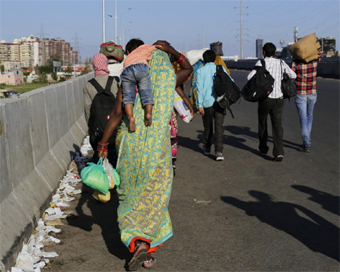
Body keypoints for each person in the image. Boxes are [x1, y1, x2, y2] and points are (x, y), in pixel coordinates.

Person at [97, 40, 192, 270]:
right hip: (158, 153)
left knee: (131, 198)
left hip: (130, 150)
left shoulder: (129, 81)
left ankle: (137, 242)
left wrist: (102, 145)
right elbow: (187, 69)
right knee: (154, 201)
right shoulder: (166, 79)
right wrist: (171, 51)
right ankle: (146, 250)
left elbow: (117, 114)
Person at [247, 42, 296, 161]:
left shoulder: (261, 63)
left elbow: (249, 77)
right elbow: (293, 75)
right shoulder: (281, 62)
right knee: (277, 125)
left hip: (265, 99)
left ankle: (263, 149)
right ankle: (279, 152)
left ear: (263, 52)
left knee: (263, 124)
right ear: (274, 52)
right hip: (278, 99)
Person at [83, 53, 119, 164]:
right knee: (113, 155)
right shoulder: (115, 82)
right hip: (114, 127)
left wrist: (91, 127)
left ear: (94, 65)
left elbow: (87, 110)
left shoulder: (88, 85)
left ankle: (99, 176)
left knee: (98, 154)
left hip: (97, 130)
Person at [196, 50, 232, 161]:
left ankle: (207, 146)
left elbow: (199, 90)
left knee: (208, 126)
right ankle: (219, 152)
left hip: (207, 103)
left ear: (204, 59)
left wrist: (200, 105)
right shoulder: (221, 69)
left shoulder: (200, 71)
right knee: (219, 127)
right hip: (220, 102)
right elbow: (230, 81)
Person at [121, 38, 156, 132]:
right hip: (142, 67)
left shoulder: (128, 57)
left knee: (128, 97)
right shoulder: (145, 48)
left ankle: (130, 117)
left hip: (127, 69)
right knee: (147, 93)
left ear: (128, 51)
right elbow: (157, 47)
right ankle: (148, 113)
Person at [292, 50, 323, 153]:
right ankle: (307, 139)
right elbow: (320, 55)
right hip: (312, 93)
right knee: (310, 116)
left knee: (303, 119)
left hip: (300, 93)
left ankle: (306, 143)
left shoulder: (296, 63)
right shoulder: (314, 62)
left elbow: (291, 74)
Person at [169, 55, 194, 172]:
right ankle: (172, 163)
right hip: (170, 116)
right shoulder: (171, 77)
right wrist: (190, 108)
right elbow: (182, 95)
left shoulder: (150, 76)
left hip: (156, 117)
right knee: (172, 139)